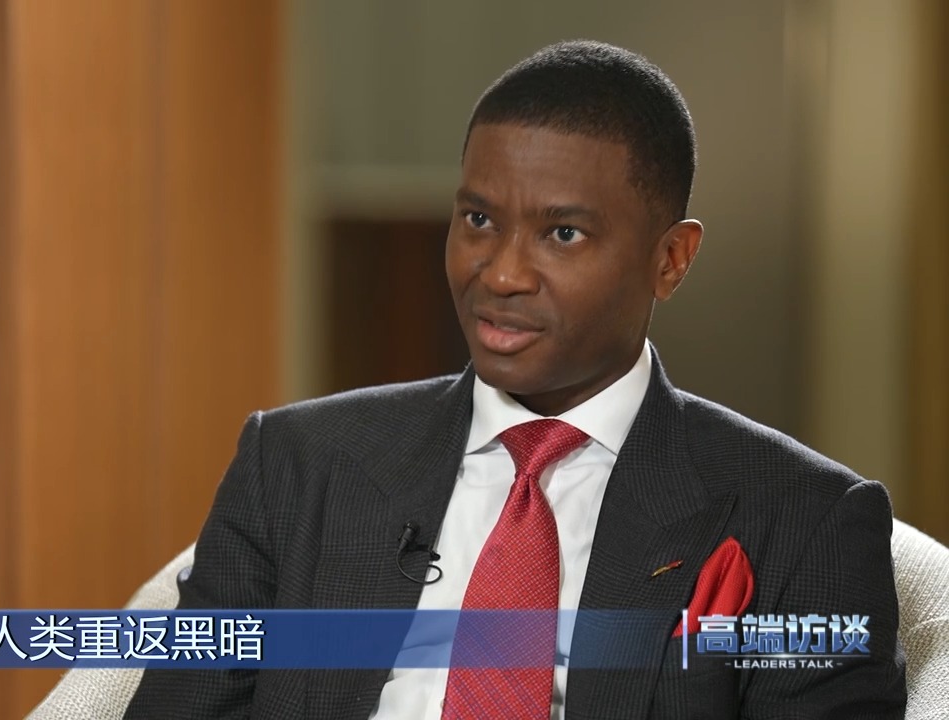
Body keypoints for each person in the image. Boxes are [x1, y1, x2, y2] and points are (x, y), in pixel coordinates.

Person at [125, 40, 905, 719]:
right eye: (478, 221)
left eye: (562, 234)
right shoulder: (294, 466)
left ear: (671, 260)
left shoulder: (804, 521)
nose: (500, 274)